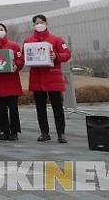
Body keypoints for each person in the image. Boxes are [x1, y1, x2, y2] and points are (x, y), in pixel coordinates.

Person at [24, 14, 71, 143]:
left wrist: (56, 56)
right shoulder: (28, 41)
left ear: (46, 23)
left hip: (53, 76)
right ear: (33, 25)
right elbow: (23, 57)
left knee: (57, 107)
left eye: (42, 22)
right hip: (37, 78)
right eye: (37, 23)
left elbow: (67, 54)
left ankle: (61, 133)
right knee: (40, 108)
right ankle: (44, 133)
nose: (39, 25)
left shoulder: (56, 40)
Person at [0, 23, 24, 141]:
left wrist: (16, 66)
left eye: (1, 29)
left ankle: (14, 131)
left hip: (11, 81)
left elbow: (20, 60)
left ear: (5, 31)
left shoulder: (13, 45)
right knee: (1, 109)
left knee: (13, 108)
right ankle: (4, 130)